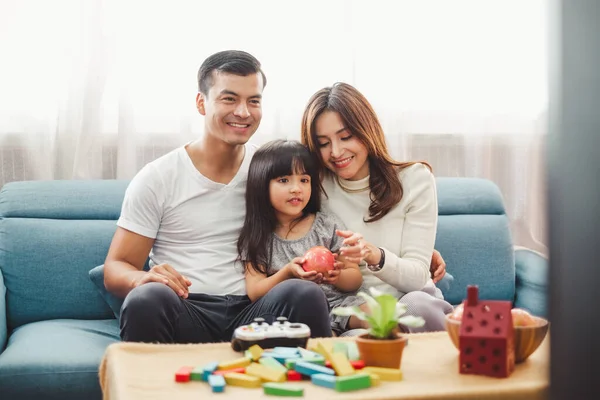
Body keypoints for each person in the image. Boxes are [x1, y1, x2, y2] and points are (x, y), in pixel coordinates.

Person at [103, 50, 333, 343]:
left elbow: (314, 216)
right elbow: (116, 268)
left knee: (305, 293)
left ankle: (324, 384)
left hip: (255, 311)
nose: (243, 112)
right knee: (145, 298)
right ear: (202, 103)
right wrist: (142, 278)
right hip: (185, 307)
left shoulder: (270, 171)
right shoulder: (158, 177)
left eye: (254, 101)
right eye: (229, 99)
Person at [300, 82, 453, 334]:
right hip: (358, 311)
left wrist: (374, 254)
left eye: (346, 137)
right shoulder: (313, 186)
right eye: (323, 143)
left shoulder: (415, 178)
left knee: (416, 306)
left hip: (413, 300)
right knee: (359, 341)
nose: (336, 152)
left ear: (367, 130)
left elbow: (416, 277)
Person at [238, 139, 364, 321]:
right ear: (261, 185)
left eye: (304, 180)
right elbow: (255, 292)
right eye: (284, 180)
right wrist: (288, 272)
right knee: (321, 342)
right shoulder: (257, 237)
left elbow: (355, 278)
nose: (297, 189)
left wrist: (336, 276)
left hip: (342, 304)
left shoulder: (328, 226)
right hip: (298, 314)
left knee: (383, 323)